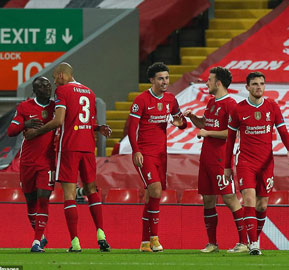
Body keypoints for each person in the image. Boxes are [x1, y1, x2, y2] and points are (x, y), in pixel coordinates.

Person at [25, 63, 112, 252]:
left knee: (69, 195)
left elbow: (59, 121)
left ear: (63, 75)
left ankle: (75, 243)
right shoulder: (89, 92)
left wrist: (35, 132)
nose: (54, 82)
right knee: (91, 189)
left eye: (56, 77)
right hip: (88, 146)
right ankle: (101, 235)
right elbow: (87, 121)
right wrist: (98, 128)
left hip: (70, 147)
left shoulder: (63, 91)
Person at [224, 71, 289, 255]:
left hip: (266, 163)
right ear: (247, 87)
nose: (258, 87)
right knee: (249, 199)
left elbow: (283, 129)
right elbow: (230, 139)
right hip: (246, 162)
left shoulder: (272, 106)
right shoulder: (238, 109)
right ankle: (254, 244)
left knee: (262, 205)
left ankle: (252, 240)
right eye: (254, 84)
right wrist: (227, 166)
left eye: (261, 84)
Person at [184, 67, 248, 253]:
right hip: (206, 158)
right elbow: (204, 123)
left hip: (221, 158)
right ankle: (212, 243)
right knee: (208, 200)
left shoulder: (231, 104)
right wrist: (193, 118)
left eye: (210, 80)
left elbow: (232, 134)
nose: (207, 83)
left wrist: (208, 133)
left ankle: (244, 243)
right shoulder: (212, 102)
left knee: (230, 198)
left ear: (218, 83)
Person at [128, 62, 187, 252]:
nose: (165, 82)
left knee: (152, 196)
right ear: (152, 80)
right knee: (155, 190)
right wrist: (136, 150)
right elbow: (131, 128)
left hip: (162, 154)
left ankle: (146, 241)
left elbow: (181, 122)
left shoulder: (171, 99)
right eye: (161, 78)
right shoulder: (141, 100)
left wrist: (180, 123)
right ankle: (154, 238)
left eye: (167, 78)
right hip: (145, 154)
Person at [8, 77, 55, 252]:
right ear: (35, 90)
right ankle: (40, 236)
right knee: (31, 201)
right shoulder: (24, 107)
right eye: (42, 86)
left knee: (43, 199)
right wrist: (24, 123)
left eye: (48, 85)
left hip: (47, 161)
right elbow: (11, 131)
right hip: (27, 161)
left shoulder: (55, 108)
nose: (47, 87)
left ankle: (36, 242)